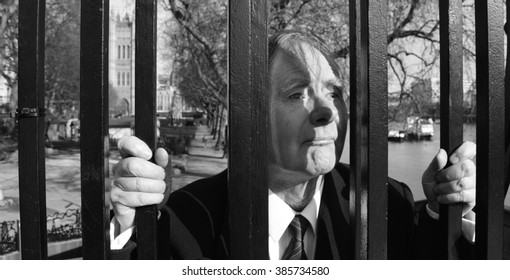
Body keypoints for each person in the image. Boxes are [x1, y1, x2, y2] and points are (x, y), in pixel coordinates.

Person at [109, 30, 476, 259]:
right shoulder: (186, 219)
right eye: (297, 93)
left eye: (334, 92)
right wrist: (128, 224)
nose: (327, 112)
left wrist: (443, 212)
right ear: (250, 114)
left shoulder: (387, 203)